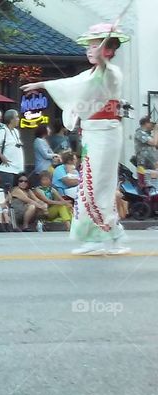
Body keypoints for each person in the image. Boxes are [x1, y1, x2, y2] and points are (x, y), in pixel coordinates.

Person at [22, 23, 130, 255]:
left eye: (95, 46)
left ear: (108, 50)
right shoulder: (89, 74)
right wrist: (41, 84)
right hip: (93, 132)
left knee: (94, 187)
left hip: (106, 132)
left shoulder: (112, 72)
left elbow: (102, 75)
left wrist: (102, 57)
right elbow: (69, 84)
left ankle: (98, 237)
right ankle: (113, 234)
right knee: (92, 186)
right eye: (89, 46)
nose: (90, 50)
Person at [0, 109, 24, 190]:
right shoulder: (3, 132)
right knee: (7, 194)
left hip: (17, 170)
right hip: (7, 170)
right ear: (11, 119)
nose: (18, 119)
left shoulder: (16, 132)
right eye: (16, 117)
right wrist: (2, 156)